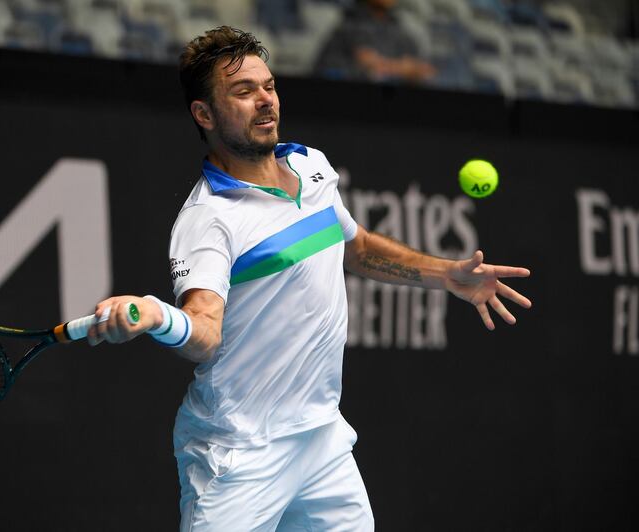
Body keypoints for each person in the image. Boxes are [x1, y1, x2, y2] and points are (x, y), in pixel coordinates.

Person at [88, 26, 531, 531]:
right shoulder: (208, 220)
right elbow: (204, 333)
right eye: (243, 91)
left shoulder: (310, 166)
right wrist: (155, 314)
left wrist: (445, 274)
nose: (264, 101)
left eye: (268, 86)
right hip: (239, 451)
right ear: (203, 114)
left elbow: (353, 245)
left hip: (321, 440)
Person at [315, 0, 436, 83]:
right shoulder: (349, 24)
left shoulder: (399, 29)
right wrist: (402, 69)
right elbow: (370, 65)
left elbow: (425, 70)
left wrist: (411, 71)